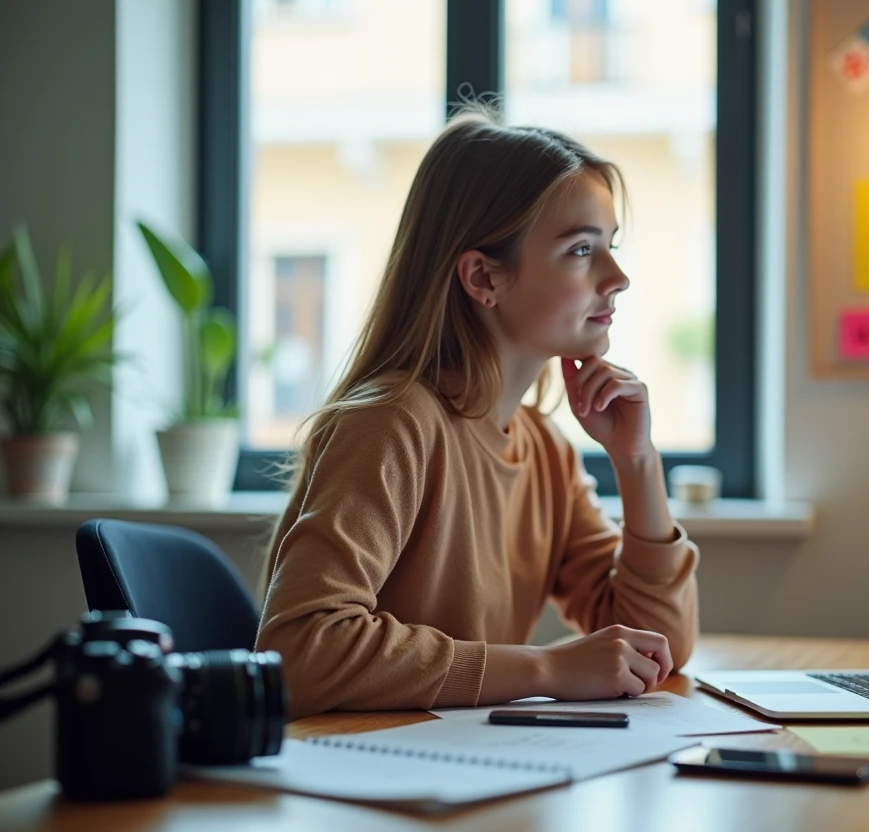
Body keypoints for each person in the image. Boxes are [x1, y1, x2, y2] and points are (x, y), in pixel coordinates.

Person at [256, 106, 700, 719]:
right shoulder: (392, 424)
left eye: (611, 247)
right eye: (581, 250)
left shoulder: (543, 447)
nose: (618, 277)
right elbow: (299, 651)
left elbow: (660, 650)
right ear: (483, 276)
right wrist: (544, 667)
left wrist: (637, 461)